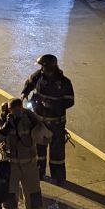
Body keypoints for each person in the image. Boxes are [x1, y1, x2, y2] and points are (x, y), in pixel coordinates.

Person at [0, 99, 51, 209]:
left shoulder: (29, 116)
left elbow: (45, 137)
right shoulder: (3, 118)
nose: (17, 112)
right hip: (10, 162)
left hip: (29, 161)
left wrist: (37, 125)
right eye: (14, 110)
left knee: (33, 189)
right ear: (9, 110)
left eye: (19, 109)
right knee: (10, 191)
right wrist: (5, 128)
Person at [21, 53, 75, 183]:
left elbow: (70, 101)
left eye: (43, 67)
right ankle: (39, 173)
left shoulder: (64, 82)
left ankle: (58, 177)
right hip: (40, 121)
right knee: (39, 150)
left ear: (51, 67)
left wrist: (53, 104)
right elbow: (29, 82)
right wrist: (25, 92)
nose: (42, 69)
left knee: (57, 152)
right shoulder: (39, 75)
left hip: (56, 123)